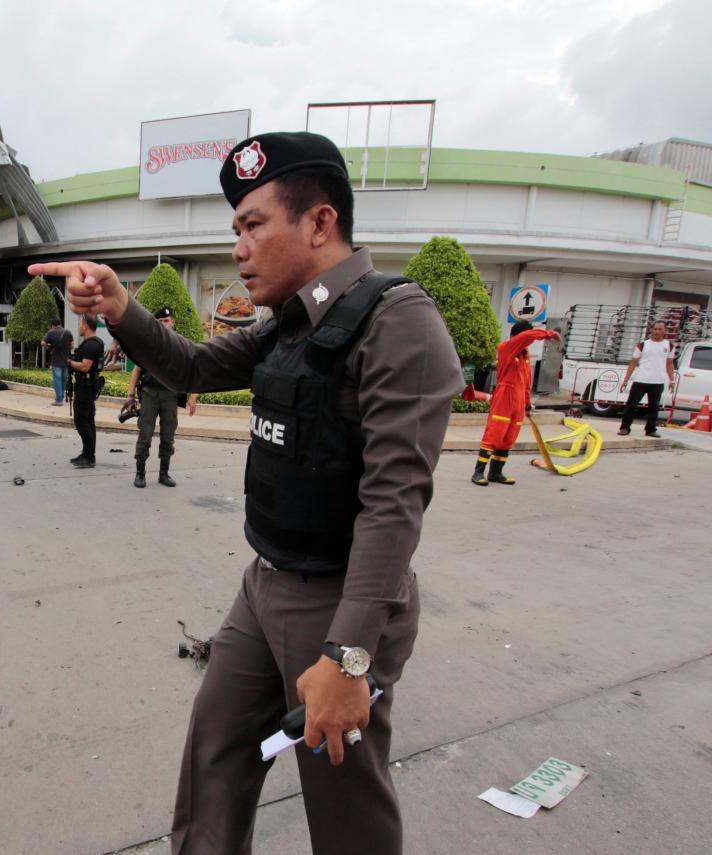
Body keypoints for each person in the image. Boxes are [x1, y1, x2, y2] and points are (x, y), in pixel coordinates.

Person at [30, 131, 462, 855]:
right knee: (216, 756)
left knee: (345, 807)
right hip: (264, 584)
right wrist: (118, 306)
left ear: (320, 223)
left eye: (253, 224)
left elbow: (395, 502)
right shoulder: (289, 324)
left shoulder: (398, 322)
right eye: (236, 228)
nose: (238, 246)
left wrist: (349, 653)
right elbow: (194, 367)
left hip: (339, 601)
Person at [471, 320, 562, 485]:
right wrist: (548, 334)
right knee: (494, 434)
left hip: (519, 399)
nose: (530, 341)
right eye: (527, 337)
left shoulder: (525, 354)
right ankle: (478, 473)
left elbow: (526, 382)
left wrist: (527, 404)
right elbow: (526, 336)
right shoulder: (507, 347)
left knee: (509, 437)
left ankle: (496, 473)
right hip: (505, 397)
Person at [125, 307, 197, 488]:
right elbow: (137, 369)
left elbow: (192, 370)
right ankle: (140, 472)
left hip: (170, 396)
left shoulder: (181, 344)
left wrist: (193, 396)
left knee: (168, 436)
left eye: (167, 321)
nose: (165, 324)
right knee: (145, 435)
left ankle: (164, 473)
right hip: (150, 394)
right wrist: (130, 395)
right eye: (161, 321)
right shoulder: (149, 344)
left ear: (173, 322)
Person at [618, 320, 674, 438]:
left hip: (658, 381)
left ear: (664, 331)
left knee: (654, 407)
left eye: (660, 329)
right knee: (631, 405)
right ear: (651, 330)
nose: (657, 331)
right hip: (641, 380)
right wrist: (625, 380)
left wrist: (672, 380)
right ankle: (625, 427)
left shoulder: (669, 345)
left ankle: (650, 429)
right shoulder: (643, 345)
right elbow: (633, 363)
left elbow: (669, 364)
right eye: (655, 329)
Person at [67, 314, 104, 469]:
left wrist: (68, 362)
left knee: (81, 420)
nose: (78, 327)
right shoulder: (95, 343)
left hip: (86, 387)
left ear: (85, 325)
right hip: (88, 385)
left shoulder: (91, 345)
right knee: (88, 421)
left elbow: (85, 366)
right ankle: (88, 453)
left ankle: (89, 457)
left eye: (80, 324)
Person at [40, 318, 74, 406]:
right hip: (66, 360)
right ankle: (61, 397)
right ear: (60, 324)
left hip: (56, 360)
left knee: (57, 380)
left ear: (52, 325)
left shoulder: (51, 332)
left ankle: (59, 400)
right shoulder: (67, 332)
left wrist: (49, 346)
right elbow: (73, 346)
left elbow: (43, 343)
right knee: (63, 380)